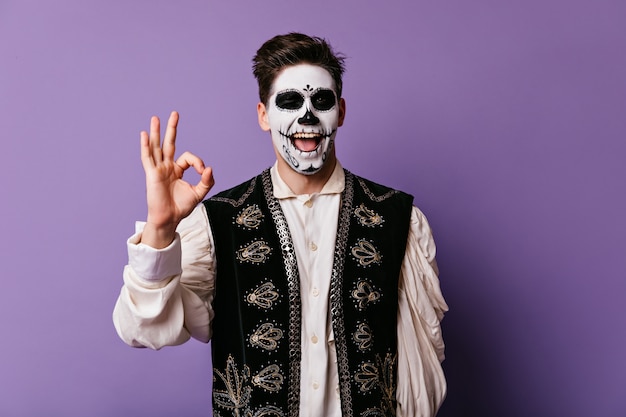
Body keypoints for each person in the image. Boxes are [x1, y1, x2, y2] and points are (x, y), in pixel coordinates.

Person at [113, 32, 448, 417]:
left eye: (320, 101)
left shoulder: (398, 220)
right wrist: (160, 228)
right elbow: (143, 330)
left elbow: (419, 378)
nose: (306, 117)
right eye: (289, 102)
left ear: (340, 111)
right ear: (263, 115)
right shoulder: (217, 223)